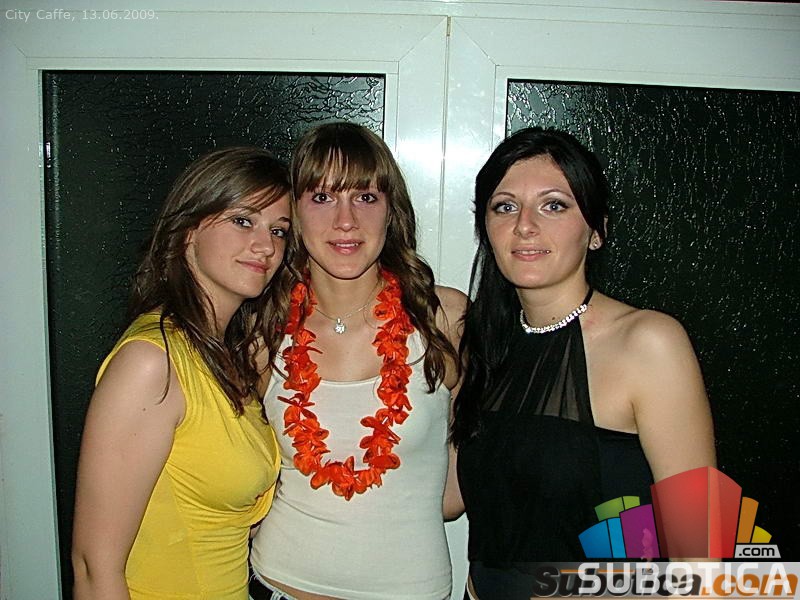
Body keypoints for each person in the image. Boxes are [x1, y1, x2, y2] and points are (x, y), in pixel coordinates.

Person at [446, 127, 716, 599]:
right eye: (505, 207)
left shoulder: (648, 343)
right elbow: (450, 498)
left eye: (554, 205)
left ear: (596, 231)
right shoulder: (482, 347)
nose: (525, 225)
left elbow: (700, 548)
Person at [249, 122, 465, 600]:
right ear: (293, 213)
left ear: (391, 211)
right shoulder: (263, 333)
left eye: (365, 197)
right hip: (279, 585)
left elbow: (467, 481)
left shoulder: (445, 319)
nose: (345, 220)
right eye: (322, 197)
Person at [71, 147, 294, 599]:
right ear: (189, 229)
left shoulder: (225, 356)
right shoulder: (151, 362)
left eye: (278, 230)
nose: (266, 246)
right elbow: (94, 569)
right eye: (243, 221)